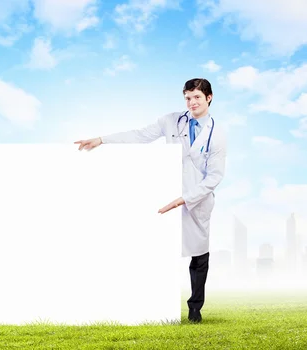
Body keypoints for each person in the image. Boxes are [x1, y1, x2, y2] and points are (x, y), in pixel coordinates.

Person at [74, 78, 226, 324]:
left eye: (197, 97)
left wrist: (185, 199)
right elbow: (141, 135)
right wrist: (102, 139)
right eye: (188, 97)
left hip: (196, 199)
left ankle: (195, 307)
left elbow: (215, 177)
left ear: (209, 97)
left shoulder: (217, 134)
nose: (192, 102)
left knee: (199, 257)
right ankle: (148, 304)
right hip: (166, 192)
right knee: (158, 248)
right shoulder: (171, 121)